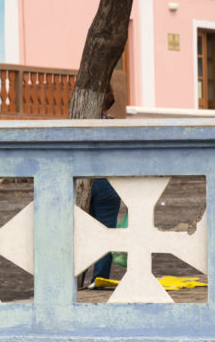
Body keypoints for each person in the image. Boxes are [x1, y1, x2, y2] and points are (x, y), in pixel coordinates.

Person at [87, 84, 123, 289]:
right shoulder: (111, 124)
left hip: (84, 182)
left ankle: (79, 275)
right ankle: (98, 278)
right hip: (106, 183)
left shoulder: (78, 121)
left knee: (86, 230)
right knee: (106, 232)